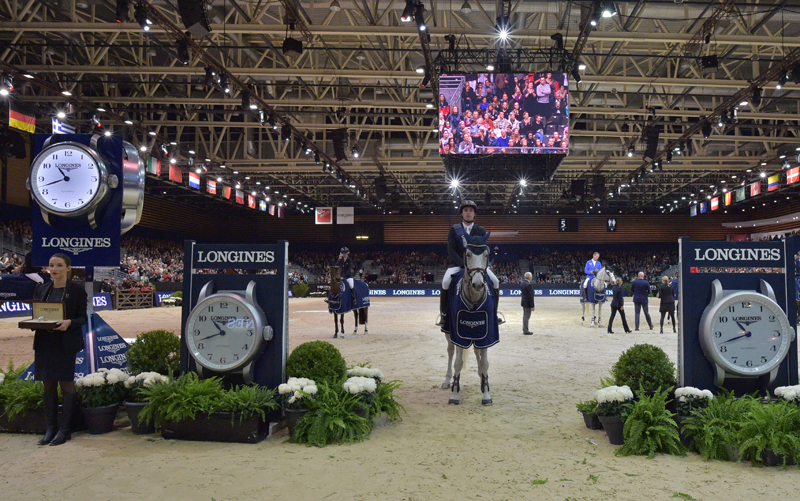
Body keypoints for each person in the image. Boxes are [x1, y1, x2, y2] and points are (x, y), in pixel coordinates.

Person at [30, 253, 87, 446]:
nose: (54, 269)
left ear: (68, 268)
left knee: (66, 385)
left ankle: (65, 430)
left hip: (65, 344)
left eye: (59, 265)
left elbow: (82, 318)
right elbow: (37, 315)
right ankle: (50, 428)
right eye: (51, 265)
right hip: (45, 343)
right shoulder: (42, 288)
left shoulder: (77, 290)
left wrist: (69, 322)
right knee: (47, 385)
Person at [437, 200, 500, 328]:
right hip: (457, 264)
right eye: (465, 210)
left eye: (471, 210)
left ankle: (494, 313)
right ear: (462, 213)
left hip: (477, 265)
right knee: (445, 282)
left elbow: (482, 249)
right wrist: (464, 263)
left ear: (474, 214)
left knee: (495, 281)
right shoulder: (454, 230)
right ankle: (443, 314)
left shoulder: (480, 230)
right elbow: (451, 250)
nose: (468, 213)